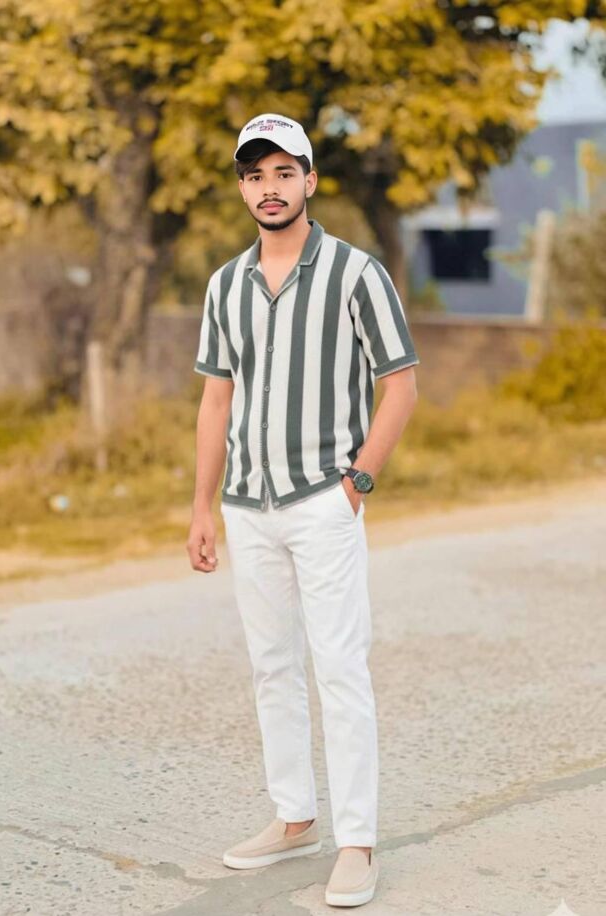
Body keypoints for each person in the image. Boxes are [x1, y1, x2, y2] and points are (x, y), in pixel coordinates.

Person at [187, 113, 419, 908]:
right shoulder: (225, 285)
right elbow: (215, 401)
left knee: (340, 668)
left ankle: (356, 843)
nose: (270, 188)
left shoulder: (357, 274)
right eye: (255, 175)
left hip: (324, 499)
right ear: (242, 188)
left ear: (310, 180)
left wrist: (358, 483)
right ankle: (295, 819)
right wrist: (202, 507)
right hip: (248, 507)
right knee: (272, 666)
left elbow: (401, 385)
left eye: (284, 172)